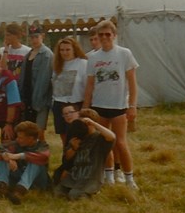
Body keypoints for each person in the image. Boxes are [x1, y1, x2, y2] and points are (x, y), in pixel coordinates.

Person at [83, 20, 139, 190]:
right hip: (99, 106)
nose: (105, 37)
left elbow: (132, 82)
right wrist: (86, 108)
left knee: (120, 142)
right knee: (103, 142)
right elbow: (90, 85)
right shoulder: (92, 57)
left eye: (108, 34)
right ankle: (109, 176)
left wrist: (132, 105)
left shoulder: (124, 53)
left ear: (114, 35)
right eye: (101, 35)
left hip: (118, 106)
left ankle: (129, 178)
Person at [54, 117, 116, 200]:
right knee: (58, 193)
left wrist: (94, 124)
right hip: (75, 176)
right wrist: (74, 148)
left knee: (74, 195)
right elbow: (67, 159)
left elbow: (112, 137)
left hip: (91, 178)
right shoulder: (77, 136)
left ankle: (93, 193)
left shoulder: (99, 138)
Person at [0, 121, 50, 205]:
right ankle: (1, 187)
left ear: (30, 138)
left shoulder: (42, 146)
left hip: (36, 182)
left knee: (36, 162)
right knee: (2, 157)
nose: (17, 139)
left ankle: (20, 191)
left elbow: (44, 156)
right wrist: (8, 157)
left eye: (20, 137)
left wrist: (18, 156)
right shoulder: (17, 144)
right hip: (19, 176)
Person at [18, 24, 53, 141]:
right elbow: (23, 77)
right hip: (27, 97)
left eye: (36, 37)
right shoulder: (28, 54)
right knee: (28, 132)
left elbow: (44, 79)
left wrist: (37, 102)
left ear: (42, 36)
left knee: (39, 131)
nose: (34, 40)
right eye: (32, 37)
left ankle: (42, 155)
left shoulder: (46, 55)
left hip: (39, 100)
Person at [52, 37, 87, 146]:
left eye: (68, 49)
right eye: (62, 50)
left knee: (77, 137)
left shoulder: (83, 63)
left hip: (76, 104)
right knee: (64, 137)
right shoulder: (57, 65)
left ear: (74, 49)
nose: (65, 52)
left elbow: (88, 86)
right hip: (59, 104)